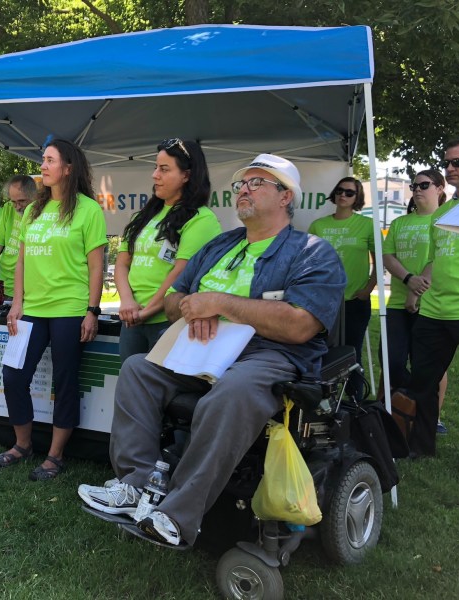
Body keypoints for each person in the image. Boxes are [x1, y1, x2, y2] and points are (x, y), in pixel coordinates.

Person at [77, 153, 344, 546]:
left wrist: (222, 303)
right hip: (199, 351)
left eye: (256, 183)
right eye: (240, 185)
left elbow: (301, 324)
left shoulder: (313, 253)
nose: (243, 191)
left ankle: (177, 515)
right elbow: (172, 300)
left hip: (267, 356)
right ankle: (134, 487)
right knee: (137, 370)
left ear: (286, 196)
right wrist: (190, 306)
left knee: (232, 393)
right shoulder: (221, 245)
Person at [0, 139, 107, 480]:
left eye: (49, 160)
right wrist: (17, 303)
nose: (42, 166)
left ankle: (55, 455)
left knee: (64, 380)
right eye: (42, 160)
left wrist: (92, 310)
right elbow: (21, 261)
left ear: (68, 168)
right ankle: (23, 444)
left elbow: (96, 266)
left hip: (69, 309)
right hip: (32, 309)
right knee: (13, 375)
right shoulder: (33, 210)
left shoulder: (89, 210)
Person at [403, 137, 459, 477]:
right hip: (434, 312)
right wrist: (417, 291)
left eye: (458, 162)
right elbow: (436, 259)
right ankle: (421, 445)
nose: (450, 169)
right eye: (447, 163)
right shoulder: (444, 210)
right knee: (423, 381)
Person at [115, 139, 221, 364]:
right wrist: (127, 302)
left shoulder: (201, 219)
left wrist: (146, 311)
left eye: (164, 169)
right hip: (133, 321)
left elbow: (180, 273)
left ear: (186, 175)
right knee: (130, 388)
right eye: (155, 167)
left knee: (159, 393)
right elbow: (122, 262)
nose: (155, 175)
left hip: (168, 321)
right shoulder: (143, 216)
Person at [382, 169, 448, 430]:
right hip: (398, 304)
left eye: (424, 185)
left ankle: (433, 417)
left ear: (440, 189)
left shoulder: (445, 220)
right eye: (414, 185)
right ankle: (398, 409)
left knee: (432, 366)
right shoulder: (400, 223)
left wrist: (417, 290)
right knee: (392, 361)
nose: (417, 189)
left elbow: (440, 257)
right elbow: (388, 256)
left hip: (432, 306)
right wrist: (409, 280)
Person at [308, 177, 375, 398]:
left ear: (358, 198)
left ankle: (356, 399)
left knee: (353, 351)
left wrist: (368, 289)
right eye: (339, 190)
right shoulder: (319, 225)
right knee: (323, 350)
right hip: (324, 301)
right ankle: (326, 398)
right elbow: (309, 262)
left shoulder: (367, 225)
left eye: (349, 192)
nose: (343, 195)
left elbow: (380, 262)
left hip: (355, 301)